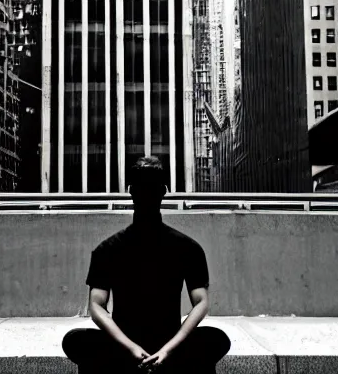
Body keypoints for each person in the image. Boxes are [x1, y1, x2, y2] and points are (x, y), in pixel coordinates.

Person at [62, 155, 231, 373]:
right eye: (144, 188)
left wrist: (167, 349)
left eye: (150, 188)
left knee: (215, 339)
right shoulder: (110, 250)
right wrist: (131, 347)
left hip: (154, 348)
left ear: (131, 191)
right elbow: (96, 306)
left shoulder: (186, 248)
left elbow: (202, 303)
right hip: (129, 347)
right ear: (164, 191)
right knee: (75, 340)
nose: (147, 194)